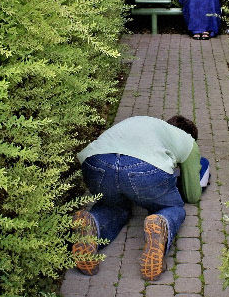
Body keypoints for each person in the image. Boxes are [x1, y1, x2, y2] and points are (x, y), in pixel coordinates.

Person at [71, 115, 203, 281]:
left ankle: (92, 224)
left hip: (95, 164)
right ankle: (161, 222)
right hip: (142, 171)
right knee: (173, 207)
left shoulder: (142, 121)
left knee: (115, 206)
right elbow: (192, 195)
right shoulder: (188, 141)